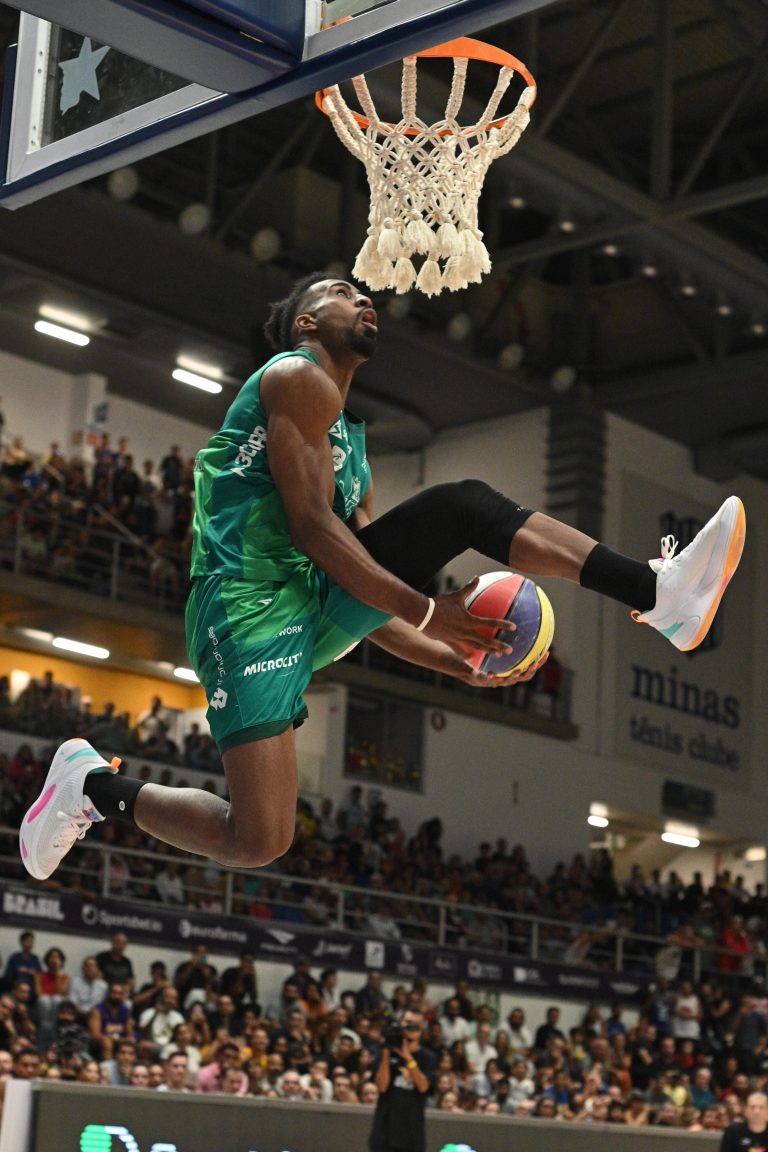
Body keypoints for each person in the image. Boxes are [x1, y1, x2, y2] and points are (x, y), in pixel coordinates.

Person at [18, 273, 746, 882]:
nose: (364, 299)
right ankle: (92, 786)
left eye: (363, 293)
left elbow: (366, 588)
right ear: (307, 321)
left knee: (465, 506)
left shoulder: (353, 450)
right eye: (342, 293)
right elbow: (312, 531)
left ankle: (656, 593)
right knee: (258, 838)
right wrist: (434, 615)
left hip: (309, 601)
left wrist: (454, 661)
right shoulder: (294, 377)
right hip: (245, 608)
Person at [369, 1011, 435, 1152]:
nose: (409, 1029)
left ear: (421, 1032)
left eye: (414, 1026)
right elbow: (382, 1087)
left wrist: (408, 1058)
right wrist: (386, 1054)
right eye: (406, 1024)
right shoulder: (385, 1053)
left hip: (411, 1132)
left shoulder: (428, 1057)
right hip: (385, 1129)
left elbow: (423, 1087)